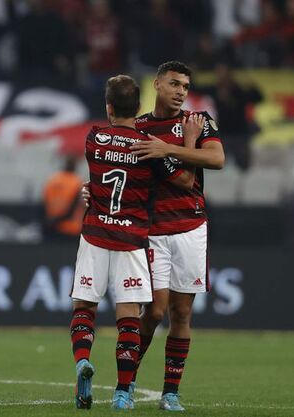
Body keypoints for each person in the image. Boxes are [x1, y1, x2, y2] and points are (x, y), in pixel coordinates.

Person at [70, 74, 203, 410]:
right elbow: (186, 180)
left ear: (109, 106)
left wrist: (91, 190)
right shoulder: (149, 148)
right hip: (133, 238)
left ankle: (82, 361)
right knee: (129, 314)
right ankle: (122, 393)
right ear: (138, 105)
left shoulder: (94, 137)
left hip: (96, 233)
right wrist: (186, 144)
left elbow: (98, 179)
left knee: (85, 305)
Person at [126, 61, 225, 411]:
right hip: (152, 230)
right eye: (174, 84)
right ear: (157, 84)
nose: (182, 90)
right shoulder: (138, 127)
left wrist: (170, 148)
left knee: (182, 314)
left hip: (191, 227)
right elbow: (117, 169)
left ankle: (170, 393)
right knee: (154, 310)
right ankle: (127, 381)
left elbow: (216, 159)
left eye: (185, 85)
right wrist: (93, 191)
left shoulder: (199, 121)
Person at [42, 155, 85, 241]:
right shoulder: (77, 182)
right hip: (72, 229)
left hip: (52, 229)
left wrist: (51, 222)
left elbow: (44, 204)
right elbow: (73, 209)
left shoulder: (52, 181)